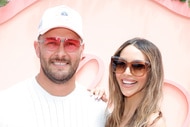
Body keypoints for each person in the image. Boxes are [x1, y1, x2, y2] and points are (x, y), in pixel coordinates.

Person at [0, 5, 106, 127]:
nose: (61, 53)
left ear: (81, 50)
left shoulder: (100, 112)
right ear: (37, 48)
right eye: (52, 43)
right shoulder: (5, 106)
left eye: (71, 44)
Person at [105, 37, 166, 127]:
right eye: (121, 64)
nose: (126, 72)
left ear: (153, 73)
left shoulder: (154, 123)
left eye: (138, 66)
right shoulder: (113, 118)